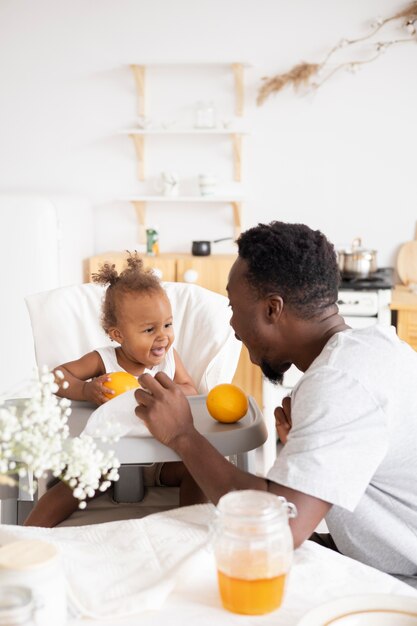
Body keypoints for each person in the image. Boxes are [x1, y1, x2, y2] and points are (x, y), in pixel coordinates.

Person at [133, 221, 417, 588]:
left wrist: (183, 435)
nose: (232, 325)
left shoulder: (339, 382)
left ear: (272, 309)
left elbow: (278, 528)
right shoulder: (372, 348)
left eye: (234, 307)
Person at [24, 254, 205, 527]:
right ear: (118, 335)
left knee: (195, 471)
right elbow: (56, 377)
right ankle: (28, 534)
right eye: (149, 329)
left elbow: (190, 389)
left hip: (160, 458)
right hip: (106, 459)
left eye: (167, 325)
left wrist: (167, 394)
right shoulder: (103, 360)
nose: (163, 336)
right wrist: (85, 390)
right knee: (72, 485)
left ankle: (194, 534)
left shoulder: (170, 359)